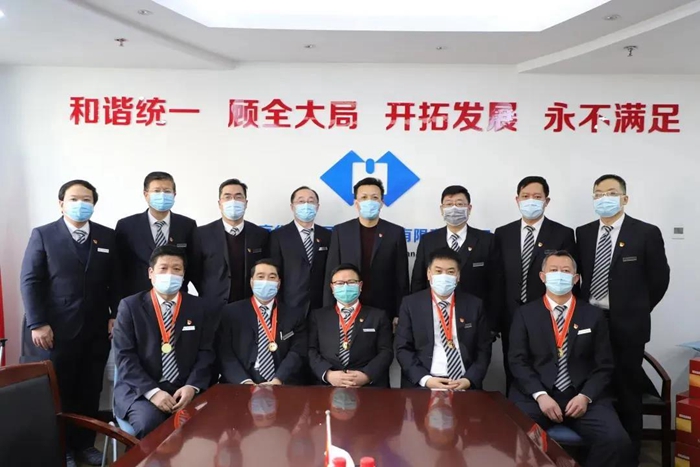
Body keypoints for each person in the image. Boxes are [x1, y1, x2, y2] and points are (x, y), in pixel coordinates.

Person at [20, 180, 118, 467]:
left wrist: (115, 315)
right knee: (56, 392)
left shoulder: (107, 237)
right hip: (54, 331)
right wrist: (38, 323)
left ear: (94, 204)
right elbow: (30, 280)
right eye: (74, 199)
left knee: (89, 389)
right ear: (61, 203)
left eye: (86, 199)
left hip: (95, 329)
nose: (80, 204)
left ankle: (84, 444)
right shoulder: (43, 235)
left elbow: (116, 280)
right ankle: (60, 448)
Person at [575, 174, 670, 462]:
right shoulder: (584, 233)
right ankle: (597, 451)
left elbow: (659, 280)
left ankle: (630, 457)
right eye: (598, 194)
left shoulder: (645, 232)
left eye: (611, 193)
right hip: (590, 322)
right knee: (590, 387)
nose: (604, 198)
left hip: (629, 326)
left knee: (628, 392)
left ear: (625, 198)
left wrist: (635, 309)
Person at [508, 250, 633, 467]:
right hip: (536, 397)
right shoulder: (525, 314)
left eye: (565, 271)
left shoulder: (592, 315)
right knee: (517, 436)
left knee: (616, 440)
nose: (559, 275)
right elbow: (517, 361)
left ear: (575, 279)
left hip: (582, 395)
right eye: (553, 270)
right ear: (542, 276)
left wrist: (585, 396)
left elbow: (604, 365)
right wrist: (541, 396)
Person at [113, 245, 215, 439]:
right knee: (151, 424)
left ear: (183, 275)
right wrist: (153, 392)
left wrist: (192, 387)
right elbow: (124, 357)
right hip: (140, 391)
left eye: (177, 269)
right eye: (163, 268)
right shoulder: (130, 307)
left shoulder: (199, 307)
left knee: (210, 421)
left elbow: (206, 352)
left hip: (185, 388)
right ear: (151, 273)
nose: (170, 274)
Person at [494, 176, 575, 391]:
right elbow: (497, 278)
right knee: (513, 369)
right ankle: (515, 410)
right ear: (517, 200)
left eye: (537, 197)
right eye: (525, 196)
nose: (531, 201)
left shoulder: (562, 233)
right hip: (511, 315)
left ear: (546, 201)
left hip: (548, 315)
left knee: (547, 368)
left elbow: (568, 276)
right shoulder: (503, 233)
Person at [396, 247, 492, 390]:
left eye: (450, 272)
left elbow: (483, 349)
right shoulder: (411, 305)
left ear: (458, 276)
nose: (444, 276)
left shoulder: (474, 305)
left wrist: (469, 380)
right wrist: (426, 380)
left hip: (464, 383)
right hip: (425, 383)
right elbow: (403, 349)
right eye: (438, 271)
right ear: (429, 274)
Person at [411, 185, 502, 332]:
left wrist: (492, 325)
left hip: (475, 320)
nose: (454, 209)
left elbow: (496, 286)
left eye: (459, 204)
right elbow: (418, 281)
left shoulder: (487, 241)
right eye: (449, 204)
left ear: (469, 208)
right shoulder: (428, 240)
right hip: (433, 317)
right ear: (442, 209)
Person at [324, 177, 409, 325]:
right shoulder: (341, 231)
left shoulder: (395, 232)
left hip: (383, 308)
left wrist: (399, 312)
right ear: (356, 203)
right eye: (364, 197)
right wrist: (328, 310)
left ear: (381, 202)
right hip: (347, 306)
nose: (369, 201)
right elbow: (331, 273)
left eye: (374, 197)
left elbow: (401, 277)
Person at [217, 259, 306, 385]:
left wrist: (278, 380)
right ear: (251, 282)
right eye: (260, 276)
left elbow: (297, 352)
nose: (266, 281)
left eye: (272, 277)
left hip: (281, 385)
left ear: (279, 283)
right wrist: (245, 382)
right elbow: (225, 353)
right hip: (240, 385)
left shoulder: (294, 315)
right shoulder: (231, 313)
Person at [115, 171, 199, 299]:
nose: (162, 195)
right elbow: (118, 268)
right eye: (157, 191)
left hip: (176, 297)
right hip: (136, 299)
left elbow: (193, 264)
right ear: (146, 194)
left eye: (167, 191)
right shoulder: (126, 226)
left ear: (174, 194)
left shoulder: (187, 225)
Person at [308, 263, 393, 387]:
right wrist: (328, 374)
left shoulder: (378, 316)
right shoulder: (318, 316)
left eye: (351, 282)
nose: (345, 287)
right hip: (327, 386)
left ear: (360, 286)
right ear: (332, 287)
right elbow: (311, 350)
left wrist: (366, 375)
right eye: (340, 283)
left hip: (367, 387)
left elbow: (386, 352)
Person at [197, 178, 270, 308]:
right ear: (220, 203)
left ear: (246, 203)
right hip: (212, 306)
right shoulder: (201, 234)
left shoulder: (261, 234)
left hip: (250, 306)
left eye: (238, 197)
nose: (233, 201)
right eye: (227, 197)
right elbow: (194, 271)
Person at [269, 186, 331, 313]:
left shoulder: (328, 236)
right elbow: (274, 272)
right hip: (289, 305)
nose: (306, 205)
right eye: (301, 201)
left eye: (311, 201)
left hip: (320, 306)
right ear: (292, 207)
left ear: (317, 207)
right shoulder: (278, 236)